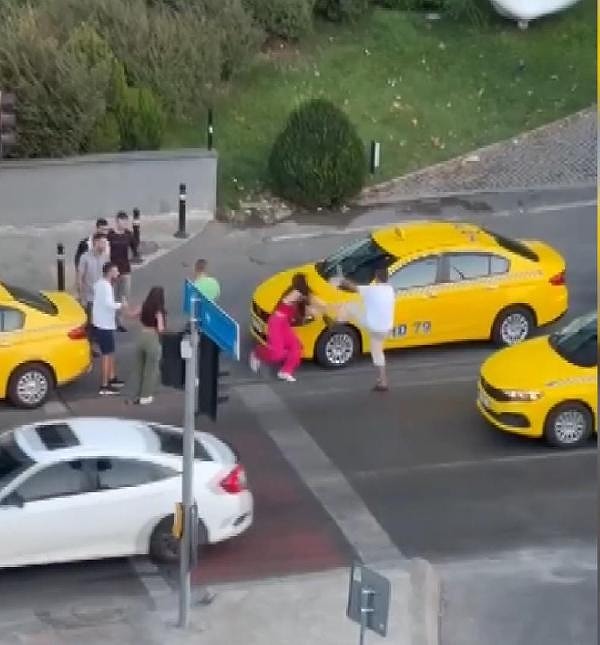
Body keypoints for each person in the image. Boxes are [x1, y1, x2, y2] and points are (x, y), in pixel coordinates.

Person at [249, 273, 323, 383]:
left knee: (296, 347)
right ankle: (257, 353)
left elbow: (309, 308)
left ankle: (285, 371)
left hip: (284, 324)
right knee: (276, 354)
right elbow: (308, 301)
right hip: (276, 323)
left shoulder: (300, 297)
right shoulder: (295, 293)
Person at [333, 266, 395, 392]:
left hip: (373, 326)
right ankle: (382, 381)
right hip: (385, 329)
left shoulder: (371, 290)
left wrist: (340, 280)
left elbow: (352, 287)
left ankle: (338, 321)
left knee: (350, 306)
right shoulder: (390, 290)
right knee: (377, 353)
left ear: (376, 278)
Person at [92, 262, 138, 396]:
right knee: (107, 355)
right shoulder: (106, 286)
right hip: (104, 325)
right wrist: (121, 305)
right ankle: (104, 385)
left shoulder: (101, 284)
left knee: (111, 353)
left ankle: (112, 379)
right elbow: (108, 304)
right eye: (116, 271)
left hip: (103, 323)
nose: (117, 273)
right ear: (110, 272)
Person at [126, 286, 166, 405]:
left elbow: (130, 315)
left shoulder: (143, 306)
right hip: (152, 338)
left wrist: (125, 306)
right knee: (151, 370)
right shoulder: (158, 310)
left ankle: (135, 394)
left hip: (141, 337)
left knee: (139, 368)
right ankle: (146, 396)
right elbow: (160, 328)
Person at [77, 232, 109, 355]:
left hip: (101, 296)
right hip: (89, 296)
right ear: (95, 243)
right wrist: (82, 297)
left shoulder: (105, 257)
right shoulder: (84, 257)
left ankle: (96, 343)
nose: (105, 245)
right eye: (102, 243)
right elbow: (80, 277)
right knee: (90, 323)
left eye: (105, 243)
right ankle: (89, 346)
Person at [107, 211, 136, 332]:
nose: (124, 224)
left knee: (123, 296)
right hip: (112, 270)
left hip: (125, 270)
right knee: (112, 296)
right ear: (117, 221)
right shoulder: (111, 235)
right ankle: (110, 319)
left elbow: (135, 248)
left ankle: (119, 320)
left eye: (125, 221)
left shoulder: (129, 235)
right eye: (121, 221)